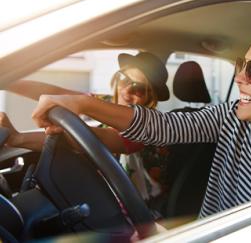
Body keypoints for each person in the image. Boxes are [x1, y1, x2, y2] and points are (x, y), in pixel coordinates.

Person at [30, 16, 251, 218]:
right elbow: (161, 127)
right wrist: (81, 103)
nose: (239, 78)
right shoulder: (232, 118)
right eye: (240, 65)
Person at [2, 52, 171, 202]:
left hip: (138, 212)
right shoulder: (107, 102)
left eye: (139, 89)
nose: (126, 91)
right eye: (123, 79)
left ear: (151, 97)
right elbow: (56, 93)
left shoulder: (150, 127)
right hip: (105, 195)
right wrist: (8, 82)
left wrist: (18, 138)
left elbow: (94, 139)